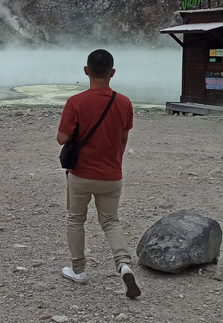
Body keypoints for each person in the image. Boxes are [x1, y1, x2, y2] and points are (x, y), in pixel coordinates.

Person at [56, 49, 141, 298]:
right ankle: (123, 264)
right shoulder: (124, 102)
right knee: (110, 221)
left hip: (80, 173)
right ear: (112, 73)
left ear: (86, 71)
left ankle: (78, 270)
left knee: (75, 219)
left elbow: (62, 138)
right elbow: (123, 137)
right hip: (112, 174)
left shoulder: (76, 102)